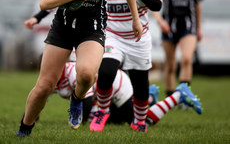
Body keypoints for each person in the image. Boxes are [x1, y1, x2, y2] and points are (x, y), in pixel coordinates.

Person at [16, 0, 143, 137]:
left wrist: (135, 19)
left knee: (86, 74)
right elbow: (44, 2)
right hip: (62, 30)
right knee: (45, 85)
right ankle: (25, 129)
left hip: (91, 30)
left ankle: (77, 99)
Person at [89, 0, 163, 133]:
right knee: (105, 72)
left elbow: (158, 4)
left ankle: (139, 121)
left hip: (138, 39)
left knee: (140, 84)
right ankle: (102, 110)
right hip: (112, 36)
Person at [52, 54, 202, 126]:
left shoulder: (71, 71)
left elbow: (87, 101)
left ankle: (177, 95)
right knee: (113, 121)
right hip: (106, 95)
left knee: (140, 122)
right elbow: (43, 93)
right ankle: (148, 96)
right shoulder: (53, 78)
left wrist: (80, 123)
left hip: (118, 87)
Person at [152, 0, 205, 99]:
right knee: (170, 64)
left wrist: (199, 28)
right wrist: (160, 21)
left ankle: (183, 96)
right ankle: (170, 97)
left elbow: (198, 6)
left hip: (189, 26)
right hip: (168, 27)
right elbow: (153, 4)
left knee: (187, 58)